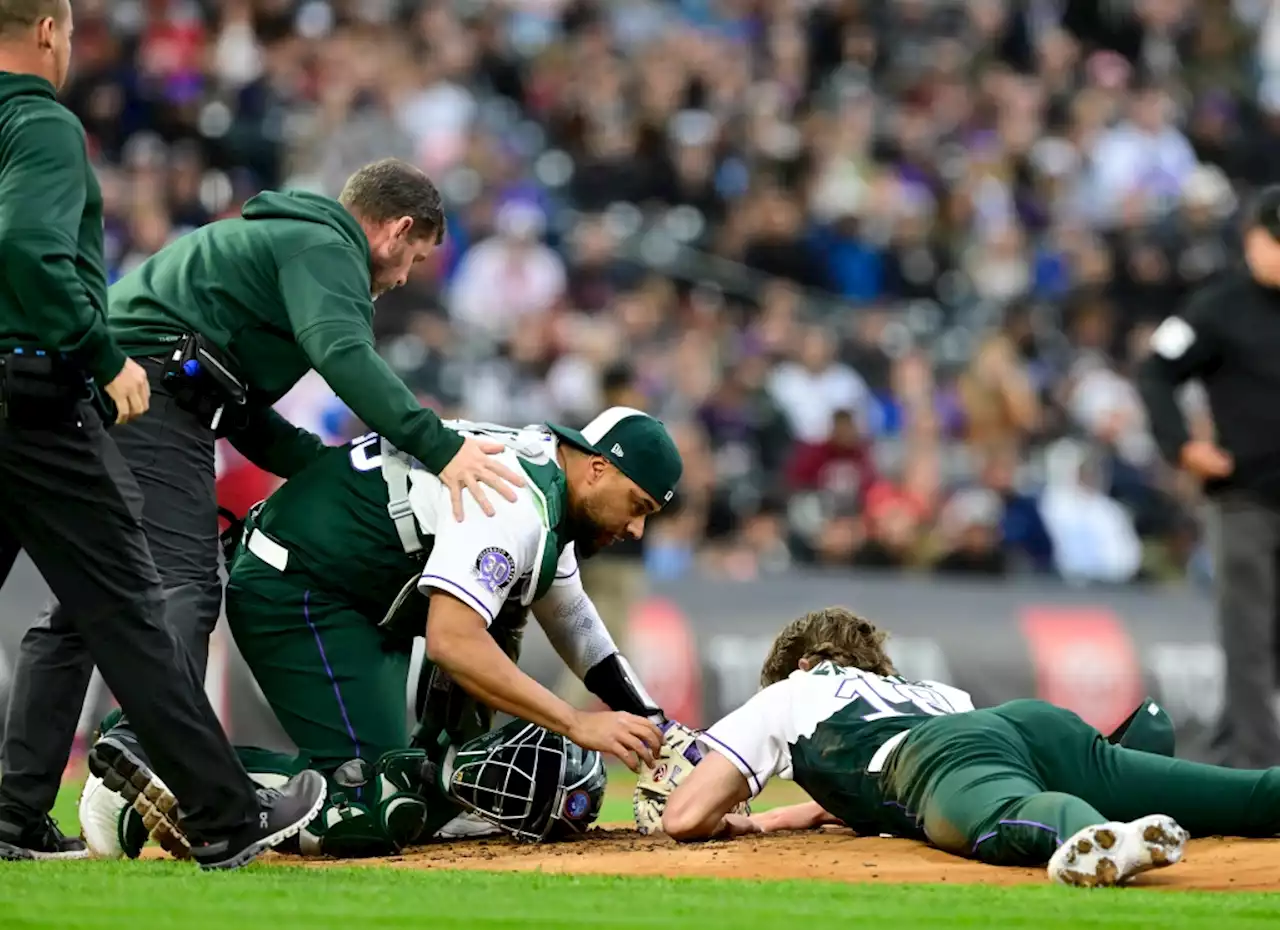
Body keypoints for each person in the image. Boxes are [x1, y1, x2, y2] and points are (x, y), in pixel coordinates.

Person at [0, 155, 526, 858]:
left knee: (78, 612)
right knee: (181, 585)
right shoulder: (324, 246)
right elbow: (342, 353)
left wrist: (330, 470)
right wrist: (438, 447)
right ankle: (147, 743)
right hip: (149, 399)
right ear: (397, 229)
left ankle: (14, 813)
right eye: (415, 258)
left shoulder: (283, 244)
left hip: (118, 392)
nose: (403, 278)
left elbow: (239, 409)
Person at [0, 0, 325, 868]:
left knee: (87, 614)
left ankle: (10, 814)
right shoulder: (38, 123)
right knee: (138, 605)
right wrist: (102, 353)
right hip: (31, 397)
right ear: (46, 33)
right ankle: (223, 812)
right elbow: (30, 248)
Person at [81, 407, 691, 858]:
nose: (638, 530)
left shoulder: (543, 484)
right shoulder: (515, 502)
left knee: (411, 789)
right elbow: (452, 641)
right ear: (594, 469)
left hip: (355, 597)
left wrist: (661, 728)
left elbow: (579, 624)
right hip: (302, 586)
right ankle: (152, 757)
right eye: (637, 505)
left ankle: (165, 773)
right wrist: (576, 721)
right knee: (373, 803)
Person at [655, 607, 1280, 887]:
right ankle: (1140, 780)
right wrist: (767, 823)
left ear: (807, 661)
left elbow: (684, 817)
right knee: (1240, 795)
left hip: (934, 759)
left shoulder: (790, 691)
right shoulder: (931, 687)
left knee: (1012, 810)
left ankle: (1096, 835)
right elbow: (836, 808)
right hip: (1027, 726)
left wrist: (719, 816)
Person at [1137, 184, 1280, 769]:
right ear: (1253, 238)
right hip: (1245, 497)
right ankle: (1253, 767)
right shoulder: (1218, 306)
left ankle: (1235, 752)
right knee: (1247, 636)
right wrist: (1182, 446)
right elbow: (1155, 371)